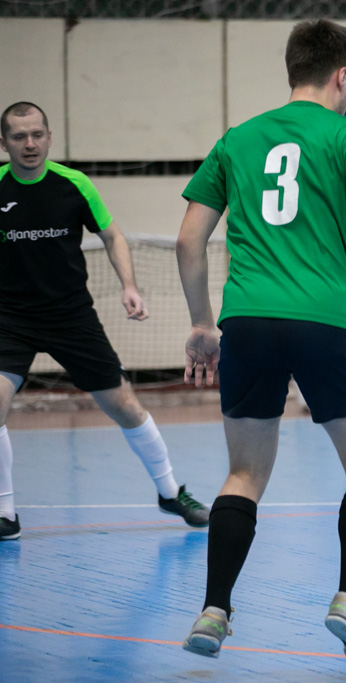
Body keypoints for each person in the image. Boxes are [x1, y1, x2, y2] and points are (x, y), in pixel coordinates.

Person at [175, 20, 346, 663]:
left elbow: (188, 239)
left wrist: (202, 323)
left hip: (248, 321)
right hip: (324, 320)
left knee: (243, 474)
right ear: (342, 76)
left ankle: (214, 610)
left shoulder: (237, 139)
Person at [0, 101, 210, 543]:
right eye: (19, 136)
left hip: (71, 316)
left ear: (49, 137)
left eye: (37, 134)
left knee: (125, 406)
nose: (30, 143)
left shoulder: (73, 185)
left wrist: (129, 286)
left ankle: (170, 492)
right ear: (4, 143)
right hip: (10, 318)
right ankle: (5, 513)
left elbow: (112, 236)